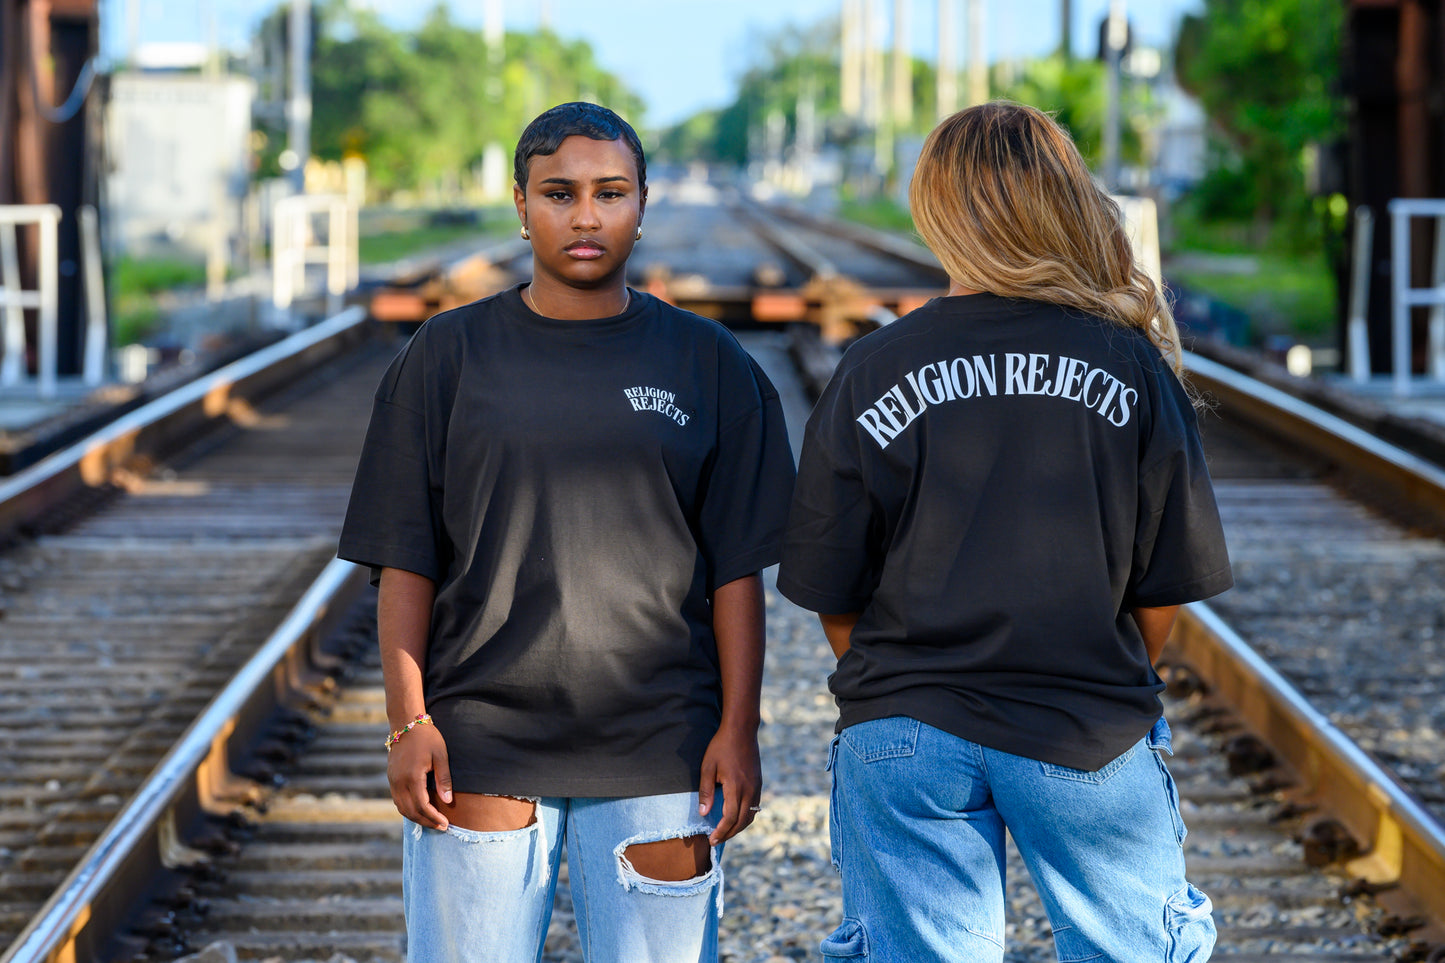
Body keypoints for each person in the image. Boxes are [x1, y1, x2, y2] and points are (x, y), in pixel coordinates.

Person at [338, 102, 796, 963]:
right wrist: (407, 723)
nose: (585, 216)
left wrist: (739, 729)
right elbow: (403, 559)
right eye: (558, 193)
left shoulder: (710, 364)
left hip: (662, 747)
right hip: (480, 742)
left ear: (642, 201)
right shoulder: (445, 357)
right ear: (520, 203)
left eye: (609, 192)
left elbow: (737, 573)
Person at [776, 101, 1233, 962]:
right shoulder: (1128, 361)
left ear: (934, 209)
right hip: (1084, 724)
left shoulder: (874, 365)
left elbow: (829, 590)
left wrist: (908, 687)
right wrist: (1104, 676)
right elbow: (1166, 588)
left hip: (905, 728)